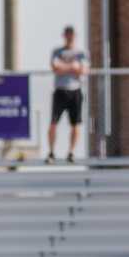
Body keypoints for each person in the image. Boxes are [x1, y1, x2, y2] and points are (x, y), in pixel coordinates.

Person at [48, 25, 88, 163]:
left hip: (75, 91)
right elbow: (55, 67)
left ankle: (71, 152)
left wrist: (64, 67)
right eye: (67, 34)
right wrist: (72, 67)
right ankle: (52, 152)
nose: (69, 36)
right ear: (64, 35)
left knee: (75, 124)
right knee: (53, 122)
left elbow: (83, 70)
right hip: (60, 91)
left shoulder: (81, 52)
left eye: (71, 34)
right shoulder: (57, 51)